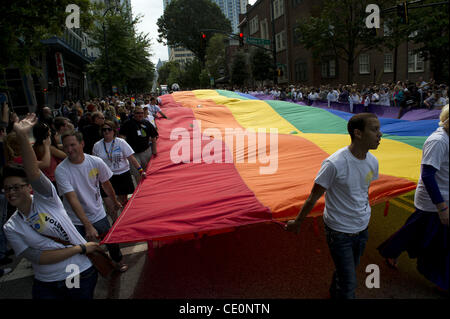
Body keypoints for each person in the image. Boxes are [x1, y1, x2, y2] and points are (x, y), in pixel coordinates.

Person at [2, 114, 100, 299]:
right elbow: (38, 258)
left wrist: (23, 136)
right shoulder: (11, 226)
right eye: (7, 189)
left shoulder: (46, 199)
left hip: (75, 271)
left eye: (16, 187)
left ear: (29, 187)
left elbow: (33, 172)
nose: (11, 192)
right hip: (44, 283)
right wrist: (80, 248)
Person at [286, 113, 382, 299]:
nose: (380, 134)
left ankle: (333, 292)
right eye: (374, 129)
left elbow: (363, 190)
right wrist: (297, 222)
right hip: (339, 232)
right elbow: (313, 197)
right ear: (358, 133)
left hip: (362, 228)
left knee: (347, 269)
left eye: (379, 129)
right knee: (350, 283)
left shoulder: (373, 161)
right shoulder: (334, 164)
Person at [378, 104, 448, 292]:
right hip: (434, 201)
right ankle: (440, 279)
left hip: (440, 199)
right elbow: (427, 175)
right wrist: (441, 207)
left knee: (415, 231)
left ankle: (391, 251)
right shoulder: (439, 141)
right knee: (436, 241)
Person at [55, 130, 128, 273]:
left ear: (82, 144)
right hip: (75, 219)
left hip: (97, 212)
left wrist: (114, 201)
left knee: (110, 240)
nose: (69, 150)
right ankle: (91, 269)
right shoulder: (61, 170)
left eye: (72, 145)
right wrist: (87, 225)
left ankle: (118, 260)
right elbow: (72, 199)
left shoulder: (96, 162)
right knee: (81, 248)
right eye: (66, 147)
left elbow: (106, 184)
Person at [92, 120, 146, 221]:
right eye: (104, 130)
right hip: (106, 178)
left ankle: (124, 221)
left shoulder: (121, 142)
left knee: (122, 202)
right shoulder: (97, 145)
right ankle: (115, 223)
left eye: (109, 129)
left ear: (114, 131)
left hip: (122, 175)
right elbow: (94, 163)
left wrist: (140, 170)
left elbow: (131, 158)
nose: (106, 132)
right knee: (110, 205)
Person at [119, 106, 158, 184]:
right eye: (138, 113)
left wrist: (154, 150)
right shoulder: (127, 123)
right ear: (134, 114)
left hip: (146, 152)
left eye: (142, 113)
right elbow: (121, 138)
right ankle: (141, 192)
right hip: (133, 155)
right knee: (138, 175)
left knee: (149, 173)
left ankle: (150, 188)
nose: (140, 114)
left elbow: (154, 136)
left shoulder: (146, 123)